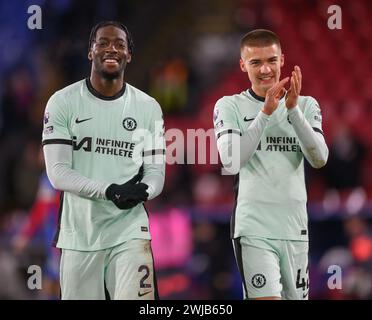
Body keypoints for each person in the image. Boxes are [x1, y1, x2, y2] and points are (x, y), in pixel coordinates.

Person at [42, 21, 165, 300]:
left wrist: (144, 190)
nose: (112, 49)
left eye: (120, 44)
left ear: (129, 55)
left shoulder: (148, 107)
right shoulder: (62, 102)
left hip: (129, 231)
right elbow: (58, 173)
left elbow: (156, 171)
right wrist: (110, 190)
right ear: (90, 52)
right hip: (78, 236)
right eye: (104, 43)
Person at [213, 29, 328, 300]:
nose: (265, 69)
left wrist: (293, 111)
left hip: (295, 229)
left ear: (282, 60)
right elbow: (231, 160)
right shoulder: (229, 106)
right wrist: (265, 113)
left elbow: (320, 158)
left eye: (271, 60)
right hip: (254, 228)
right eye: (255, 62)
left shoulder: (307, 105)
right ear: (243, 65)